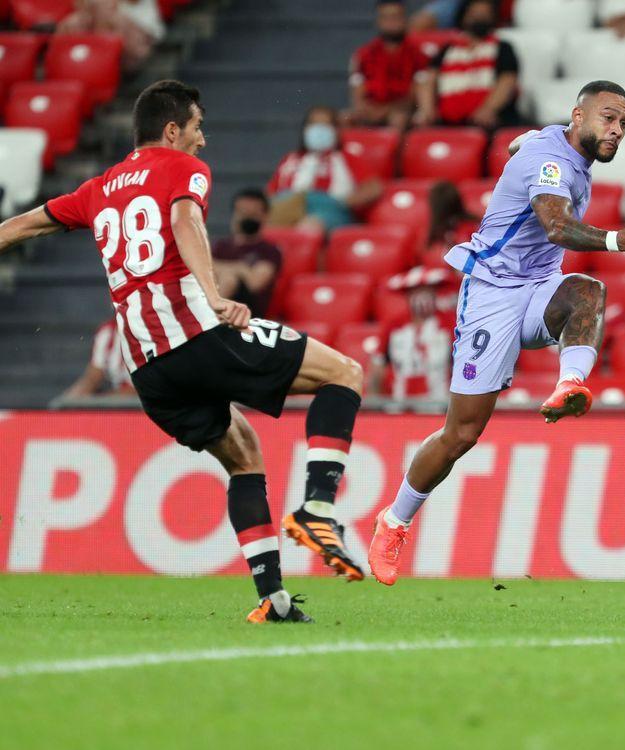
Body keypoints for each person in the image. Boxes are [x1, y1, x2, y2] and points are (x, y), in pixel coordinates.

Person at [0, 80, 370, 623]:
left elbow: (25, 225)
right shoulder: (180, 168)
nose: (202, 138)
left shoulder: (98, 188)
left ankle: (273, 600)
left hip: (149, 370)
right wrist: (215, 294)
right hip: (196, 333)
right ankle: (318, 507)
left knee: (244, 456)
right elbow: (184, 220)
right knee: (345, 373)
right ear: (172, 130)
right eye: (196, 127)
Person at [367, 80, 625, 585]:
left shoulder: (561, 150)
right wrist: (616, 239)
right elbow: (554, 224)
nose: (617, 131)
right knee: (462, 433)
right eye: (609, 118)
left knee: (587, 292)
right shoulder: (550, 160)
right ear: (579, 114)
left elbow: (528, 147)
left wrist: (522, 143)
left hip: (539, 287)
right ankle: (393, 521)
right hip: (491, 292)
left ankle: (570, 384)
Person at [267, 106, 384, 233]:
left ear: (336, 131)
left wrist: (344, 202)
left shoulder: (346, 158)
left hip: (329, 209)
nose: (318, 130)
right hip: (288, 205)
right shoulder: (290, 159)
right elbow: (270, 192)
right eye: (314, 124)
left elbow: (374, 188)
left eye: (325, 125)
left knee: (309, 226)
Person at [413, 0, 520, 129]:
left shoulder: (502, 47)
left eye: (485, 14)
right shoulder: (448, 49)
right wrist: (426, 110)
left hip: (487, 122)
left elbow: (507, 80)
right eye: (475, 14)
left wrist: (489, 109)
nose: (480, 17)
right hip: (446, 121)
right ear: (464, 17)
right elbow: (428, 79)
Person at [346, 0, 429, 129]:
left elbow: (418, 94)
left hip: (403, 111)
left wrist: (387, 110)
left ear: (405, 19)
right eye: (385, 17)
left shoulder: (419, 54)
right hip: (371, 110)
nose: (391, 22)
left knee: (397, 119)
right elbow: (358, 96)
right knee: (342, 119)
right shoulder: (363, 55)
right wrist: (365, 110)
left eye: (395, 17)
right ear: (378, 21)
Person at [384, 266, 455, 399]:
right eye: (416, 292)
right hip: (399, 403)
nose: (422, 298)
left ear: (435, 293)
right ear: (407, 295)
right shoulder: (394, 325)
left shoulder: (450, 323)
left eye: (427, 291)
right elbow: (380, 364)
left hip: (440, 402)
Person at [212, 188, 281, 318]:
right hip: (218, 302)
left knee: (228, 278)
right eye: (243, 212)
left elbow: (255, 283)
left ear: (265, 216)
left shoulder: (269, 251)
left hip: (248, 313)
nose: (247, 217)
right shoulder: (220, 246)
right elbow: (204, 270)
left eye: (253, 213)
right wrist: (241, 268)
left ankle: (206, 320)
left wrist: (225, 269)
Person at [59, 0, 165, 70]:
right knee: (74, 22)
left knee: (111, 16)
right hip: (100, 22)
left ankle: (103, 62)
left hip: (143, 33)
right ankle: (73, 65)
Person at [55, 319, 133, 401]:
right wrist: (68, 401)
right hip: (120, 402)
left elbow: (142, 388)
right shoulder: (108, 332)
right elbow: (93, 377)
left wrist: (103, 401)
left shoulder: (146, 333)